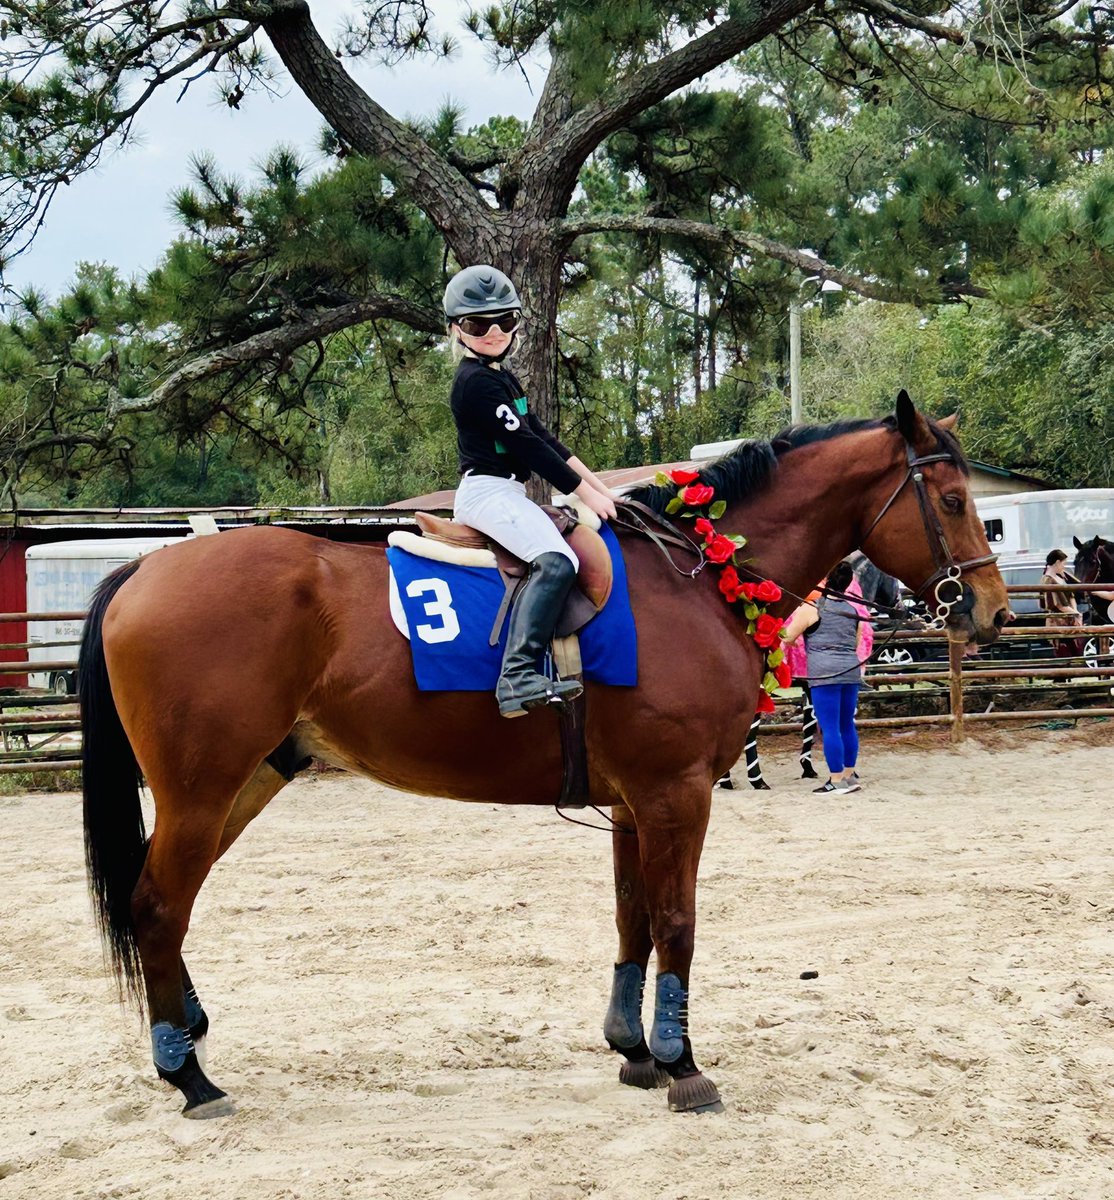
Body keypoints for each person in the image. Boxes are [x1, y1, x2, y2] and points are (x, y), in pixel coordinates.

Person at [443, 265, 619, 717]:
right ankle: (517, 674)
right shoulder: (475, 383)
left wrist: (603, 491)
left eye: (504, 321)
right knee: (558, 561)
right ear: (457, 329)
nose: (493, 332)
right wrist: (585, 495)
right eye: (477, 324)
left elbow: (545, 439)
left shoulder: (503, 377)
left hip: (508, 492)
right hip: (487, 493)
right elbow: (527, 447)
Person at [781, 560, 870, 795]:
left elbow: (787, 637)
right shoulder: (853, 610)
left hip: (824, 672)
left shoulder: (812, 608)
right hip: (850, 670)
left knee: (829, 728)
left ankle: (836, 779)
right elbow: (856, 643)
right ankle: (849, 775)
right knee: (846, 724)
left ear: (825, 580)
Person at [1041, 549, 1084, 659]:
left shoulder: (1060, 577)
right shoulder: (1049, 580)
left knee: (1074, 650)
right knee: (1064, 651)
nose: (1064, 566)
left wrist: (1075, 612)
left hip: (1069, 617)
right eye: (1063, 563)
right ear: (1057, 562)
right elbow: (1058, 604)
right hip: (1059, 621)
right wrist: (1075, 613)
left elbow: (1071, 596)